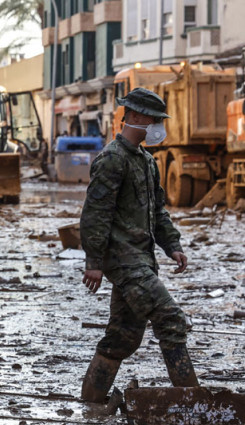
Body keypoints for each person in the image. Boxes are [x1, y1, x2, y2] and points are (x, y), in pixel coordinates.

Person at [79, 87, 199, 402]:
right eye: (154, 119)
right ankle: (195, 401)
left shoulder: (146, 161)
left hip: (141, 261)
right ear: (133, 116)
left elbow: (157, 211)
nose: (159, 125)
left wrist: (172, 246)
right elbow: (96, 213)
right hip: (124, 262)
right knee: (171, 319)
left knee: (122, 337)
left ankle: (91, 402)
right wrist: (93, 262)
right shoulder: (111, 159)